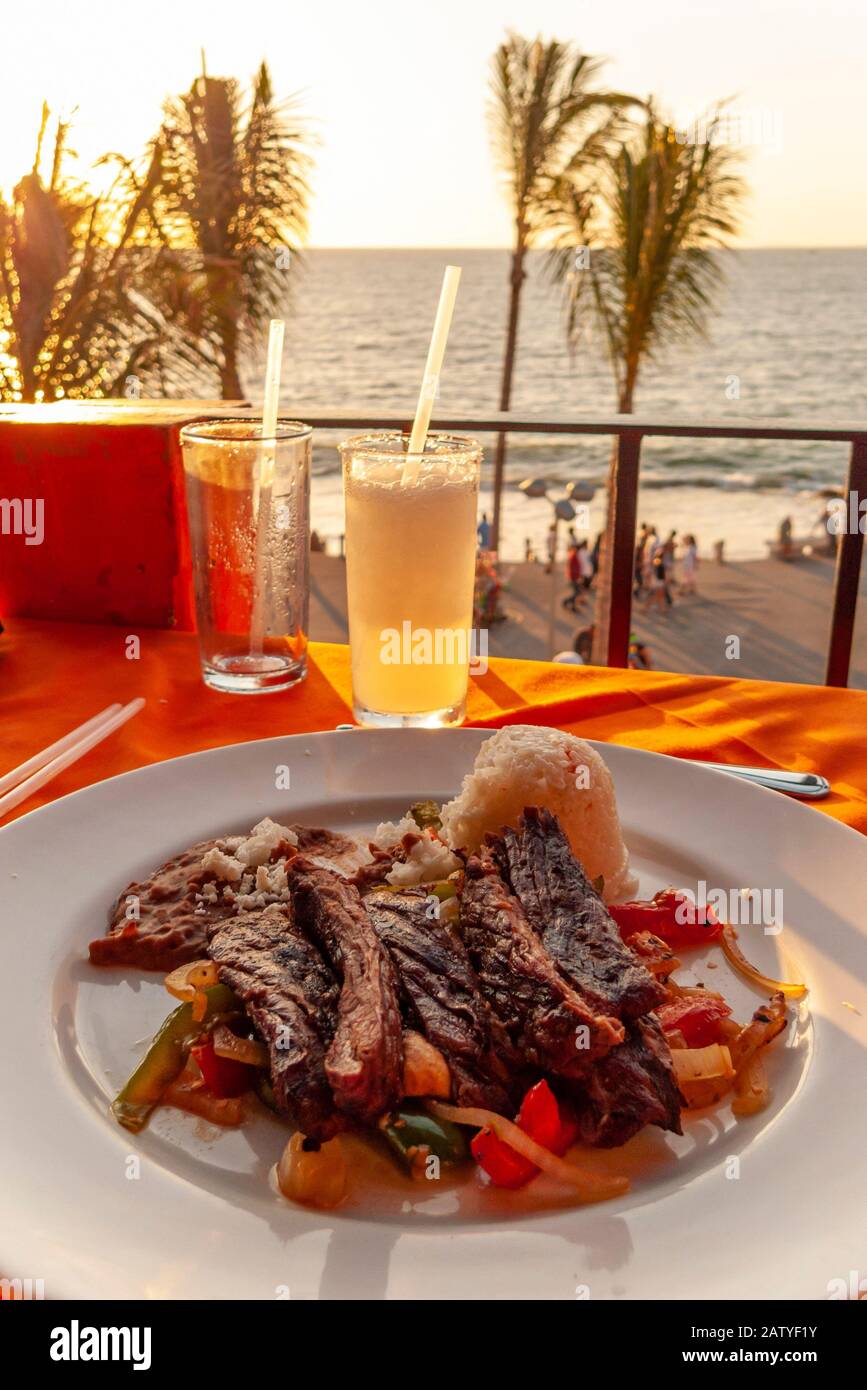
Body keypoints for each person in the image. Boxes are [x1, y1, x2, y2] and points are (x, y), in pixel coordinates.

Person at [562, 540, 585, 611]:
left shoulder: (574, 555)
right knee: (577, 592)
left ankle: (571, 605)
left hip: (574, 577)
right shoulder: (574, 555)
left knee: (577, 592)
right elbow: (573, 568)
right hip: (574, 577)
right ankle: (566, 602)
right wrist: (577, 577)